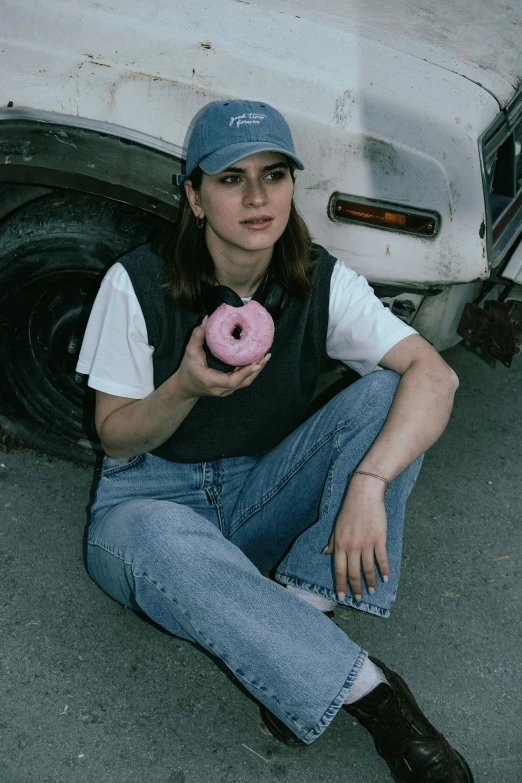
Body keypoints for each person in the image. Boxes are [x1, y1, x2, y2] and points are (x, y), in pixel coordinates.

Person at [76, 99, 474, 782]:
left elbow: (434, 376)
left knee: (389, 393)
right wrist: (186, 387)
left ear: (293, 184)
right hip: (146, 502)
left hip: (258, 494)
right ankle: (370, 691)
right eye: (232, 178)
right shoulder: (135, 284)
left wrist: (369, 481)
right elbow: (114, 439)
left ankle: (295, 616)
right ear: (194, 196)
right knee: (161, 539)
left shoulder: (319, 281)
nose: (258, 197)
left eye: (275, 174)